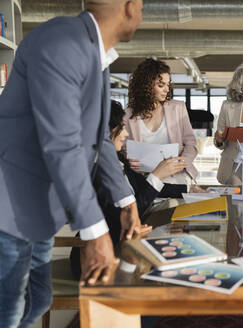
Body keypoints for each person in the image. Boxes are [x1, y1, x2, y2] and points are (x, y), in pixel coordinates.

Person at [0, 1, 143, 326]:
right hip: (9, 202)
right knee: (8, 312)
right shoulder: (63, 43)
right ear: (130, 7)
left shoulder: (97, 56)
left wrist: (126, 199)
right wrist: (95, 233)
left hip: (38, 206)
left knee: (37, 302)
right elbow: (63, 144)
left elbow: (99, 140)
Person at [70, 101, 189, 279]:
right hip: (97, 257)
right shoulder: (95, 171)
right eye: (122, 128)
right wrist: (156, 175)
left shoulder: (118, 161)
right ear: (106, 132)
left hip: (122, 248)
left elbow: (143, 186)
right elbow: (129, 213)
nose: (126, 134)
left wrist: (189, 189)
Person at [124, 58, 198, 186]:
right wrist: (128, 160)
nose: (167, 90)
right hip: (143, 179)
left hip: (176, 176)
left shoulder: (178, 108)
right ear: (145, 85)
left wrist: (181, 163)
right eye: (161, 85)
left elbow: (191, 144)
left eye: (168, 84)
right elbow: (123, 149)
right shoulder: (128, 114)